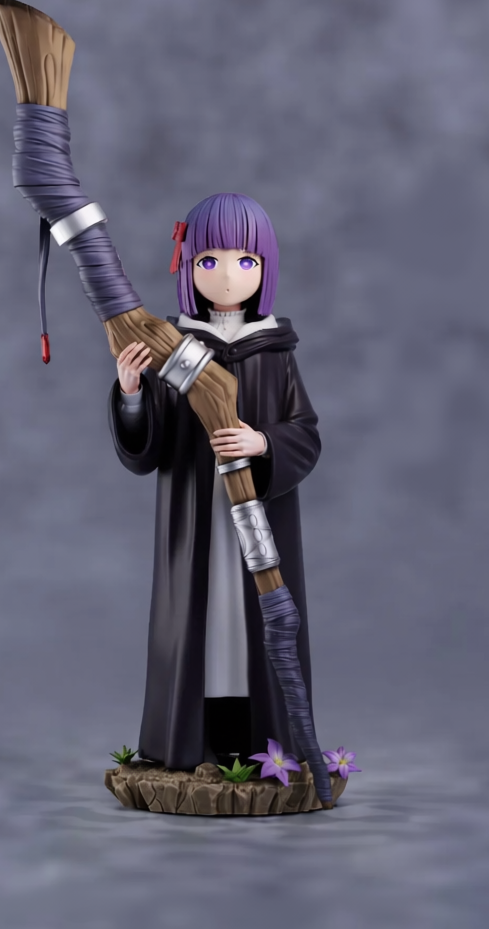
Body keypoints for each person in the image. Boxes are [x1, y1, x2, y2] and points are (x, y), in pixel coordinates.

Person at [108, 192, 321, 771]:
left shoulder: (274, 351)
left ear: (266, 267)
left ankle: (264, 744)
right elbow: (145, 449)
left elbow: (305, 432)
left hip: (260, 520)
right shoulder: (171, 346)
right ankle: (189, 742)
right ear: (187, 265)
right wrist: (132, 392)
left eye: (245, 261)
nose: (227, 275)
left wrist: (264, 443)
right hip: (195, 512)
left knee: (257, 627)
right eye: (209, 260)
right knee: (196, 622)